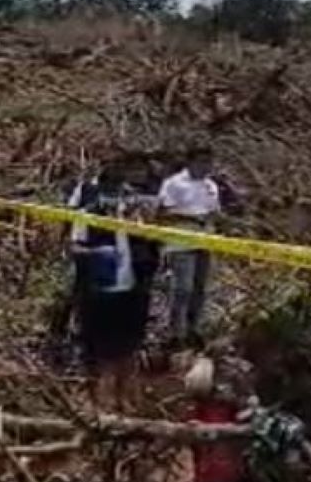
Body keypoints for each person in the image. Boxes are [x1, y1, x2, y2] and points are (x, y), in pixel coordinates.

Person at [72, 155, 161, 408]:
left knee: (130, 346)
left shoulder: (136, 209)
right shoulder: (89, 210)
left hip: (134, 287)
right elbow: (75, 246)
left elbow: (152, 240)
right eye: (114, 188)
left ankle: (129, 397)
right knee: (103, 350)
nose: (119, 194)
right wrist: (97, 255)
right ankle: (102, 400)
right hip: (100, 289)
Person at [158, 145, 221, 350]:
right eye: (202, 161)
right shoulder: (174, 184)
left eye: (209, 162)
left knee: (200, 289)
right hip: (180, 243)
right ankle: (176, 333)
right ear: (191, 161)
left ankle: (194, 329)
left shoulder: (211, 186)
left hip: (205, 241)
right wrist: (191, 217)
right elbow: (163, 213)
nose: (206, 166)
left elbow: (214, 212)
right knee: (182, 289)